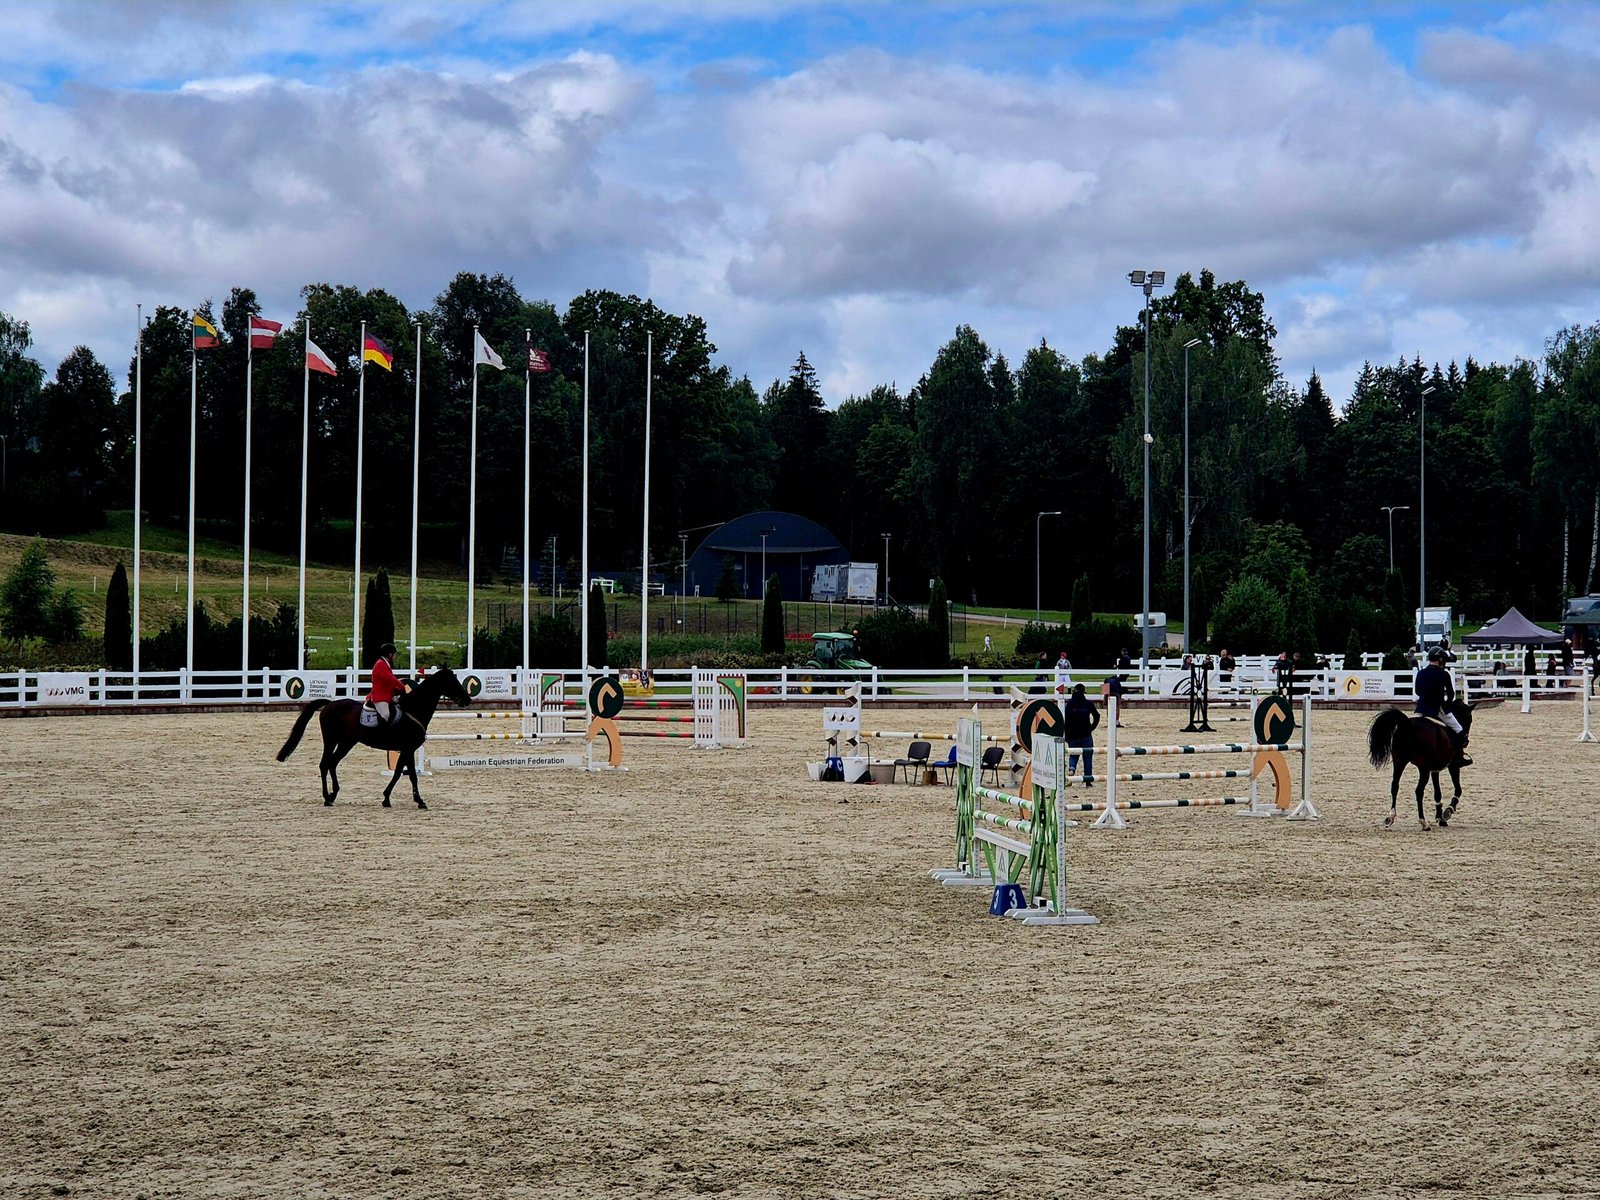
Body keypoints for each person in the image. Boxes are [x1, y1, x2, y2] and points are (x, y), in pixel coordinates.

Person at [1414, 646, 1470, 765]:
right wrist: (1448, 705)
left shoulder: (1421, 673)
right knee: (1459, 730)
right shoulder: (1444, 674)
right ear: (1439, 659)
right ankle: (1459, 757)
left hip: (1421, 709)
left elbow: (1417, 691)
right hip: (1438, 709)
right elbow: (1450, 694)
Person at [1062, 683, 1100, 781]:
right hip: (1086, 733)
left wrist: (1066, 734)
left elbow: (1066, 720)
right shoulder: (1088, 703)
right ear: (1083, 692)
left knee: (1073, 755)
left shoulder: (1070, 704)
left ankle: (1072, 768)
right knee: (1087, 757)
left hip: (1073, 734)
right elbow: (1097, 716)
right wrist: (1092, 727)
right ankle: (1088, 779)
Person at [366, 641, 409, 725]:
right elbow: (391, 679)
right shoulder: (380, 664)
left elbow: (388, 682)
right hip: (380, 697)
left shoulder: (385, 663)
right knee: (385, 715)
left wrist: (397, 689)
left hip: (387, 695)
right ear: (390, 655)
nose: (395, 657)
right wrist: (403, 688)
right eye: (394, 655)